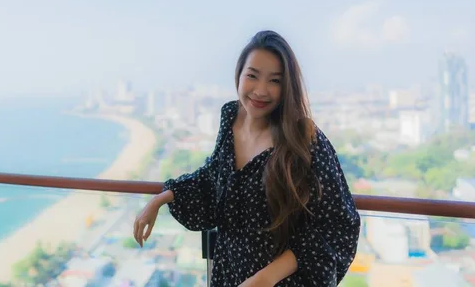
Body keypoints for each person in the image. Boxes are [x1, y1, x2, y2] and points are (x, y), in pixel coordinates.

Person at [133, 30, 361, 286]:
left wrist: (265, 278)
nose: (261, 90)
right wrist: (161, 199)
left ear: (287, 87)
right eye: (252, 76)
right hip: (228, 274)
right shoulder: (231, 119)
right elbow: (212, 176)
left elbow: (337, 224)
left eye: (275, 81)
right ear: (239, 75)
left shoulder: (302, 138)